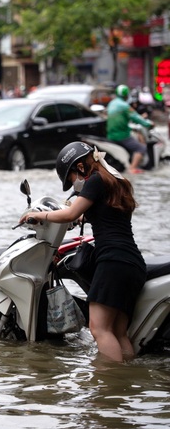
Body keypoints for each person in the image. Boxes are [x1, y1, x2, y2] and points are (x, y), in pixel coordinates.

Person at [20, 142, 146, 363]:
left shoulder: (95, 180)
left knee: (100, 329)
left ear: (80, 166)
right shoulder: (116, 181)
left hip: (112, 262)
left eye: (70, 178)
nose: (73, 183)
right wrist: (84, 216)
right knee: (118, 332)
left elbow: (69, 213)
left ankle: (108, 386)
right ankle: (125, 384)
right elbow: (106, 217)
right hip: (131, 261)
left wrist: (39, 216)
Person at [106, 84, 153, 174]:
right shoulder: (125, 106)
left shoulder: (111, 103)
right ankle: (132, 168)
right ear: (126, 95)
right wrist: (149, 124)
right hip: (122, 135)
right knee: (141, 148)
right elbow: (137, 118)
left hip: (110, 135)